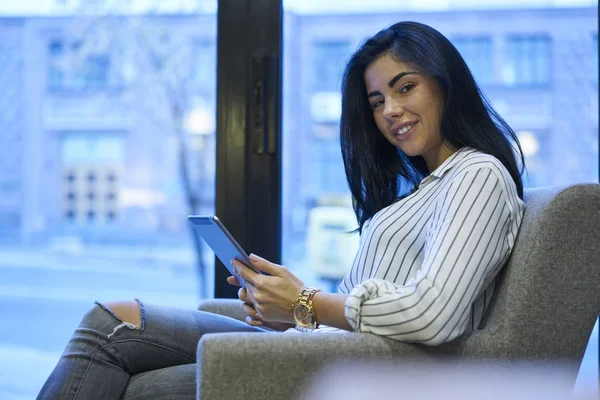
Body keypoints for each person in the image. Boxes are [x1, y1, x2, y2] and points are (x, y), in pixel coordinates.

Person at [38, 21, 525, 399]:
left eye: (405, 87)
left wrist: (304, 302)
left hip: (344, 374)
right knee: (112, 319)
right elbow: (382, 309)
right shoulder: (428, 188)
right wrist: (287, 310)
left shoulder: (477, 175)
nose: (389, 111)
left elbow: (431, 315)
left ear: (446, 83)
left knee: (115, 340)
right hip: (319, 352)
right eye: (377, 101)